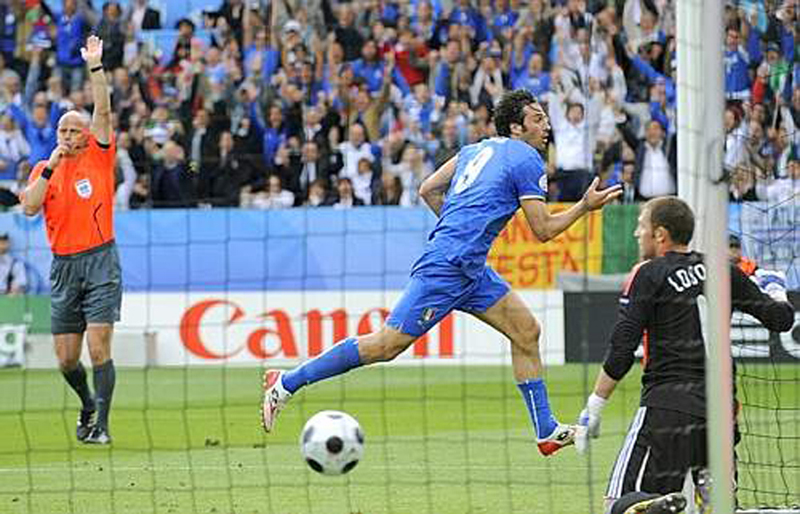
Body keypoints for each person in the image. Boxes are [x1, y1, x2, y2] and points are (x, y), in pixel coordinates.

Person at [261, 89, 622, 456]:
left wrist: (457, 224)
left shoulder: (474, 149)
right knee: (386, 345)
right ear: (516, 127)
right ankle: (286, 382)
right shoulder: (528, 159)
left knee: (526, 330)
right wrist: (583, 207)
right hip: (447, 267)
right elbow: (543, 230)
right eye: (537, 118)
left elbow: (428, 189)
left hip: (471, 269)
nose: (546, 125)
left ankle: (545, 430)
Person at [575, 197, 794, 504]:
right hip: (720, 417)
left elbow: (622, 347)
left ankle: (660, 507)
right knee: (718, 507)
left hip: (668, 409)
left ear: (660, 234)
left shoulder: (648, 273)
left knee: (620, 504)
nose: (637, 234)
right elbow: (781, 319)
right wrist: (774, 288)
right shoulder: (723, 270)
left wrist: (594, 408)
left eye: (641, 226)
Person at [21, 36, 120, 445]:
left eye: (72, 129)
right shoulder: (45, 167)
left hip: (100, 261)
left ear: (86, 134)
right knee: (65, 359)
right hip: (63, 267)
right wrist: (50, 169)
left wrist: (95, 65)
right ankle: (85, 403)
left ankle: (102, 425)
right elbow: (28, 208)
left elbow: (103, 108)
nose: (65, 133)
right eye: (61, 128)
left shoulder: (99, 153)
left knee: (99, 348)